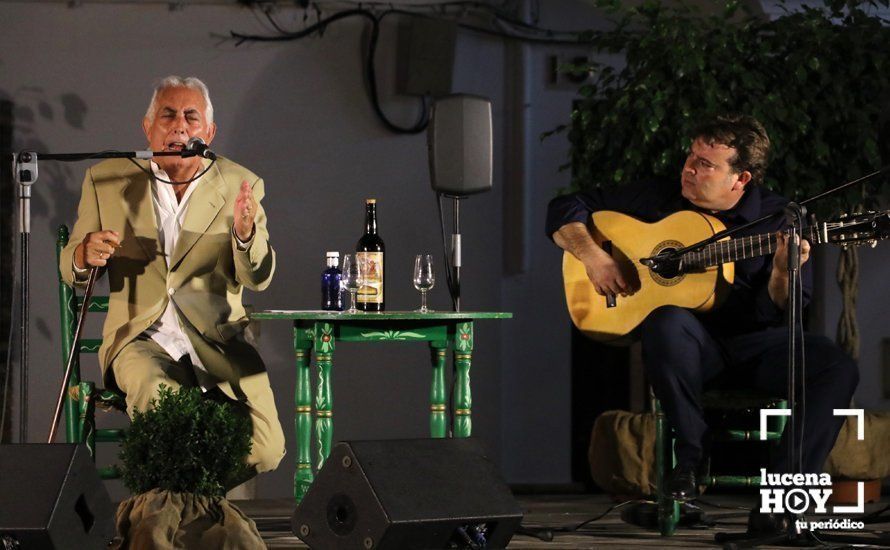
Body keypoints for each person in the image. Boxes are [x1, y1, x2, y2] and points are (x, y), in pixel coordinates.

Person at [547, 115, 858, 525]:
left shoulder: (779, 219)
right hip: (685, 354)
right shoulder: (660, 197)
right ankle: (692, 458)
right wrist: (593, 256)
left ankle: (782, 499)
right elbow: (564, 207)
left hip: (758, 351)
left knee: (837, 366)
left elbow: (788, 312)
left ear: (740, 178)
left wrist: (783, 271)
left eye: (706, 164)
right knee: (668, 320)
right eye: (691, 157)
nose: (689, 169)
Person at [60, 75, 285, 479]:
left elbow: (259, 277)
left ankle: (185, 495)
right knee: (159, 395)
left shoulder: (240, 184)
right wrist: (83, 254)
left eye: (191, 117)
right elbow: (70, 265)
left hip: (217, 341)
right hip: (139, 339)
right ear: (148, 128)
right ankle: (180, 519)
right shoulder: (107, 181)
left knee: (268, 449)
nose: (180, 125)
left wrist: (245, 235)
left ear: (209, 133)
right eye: (168, 115)